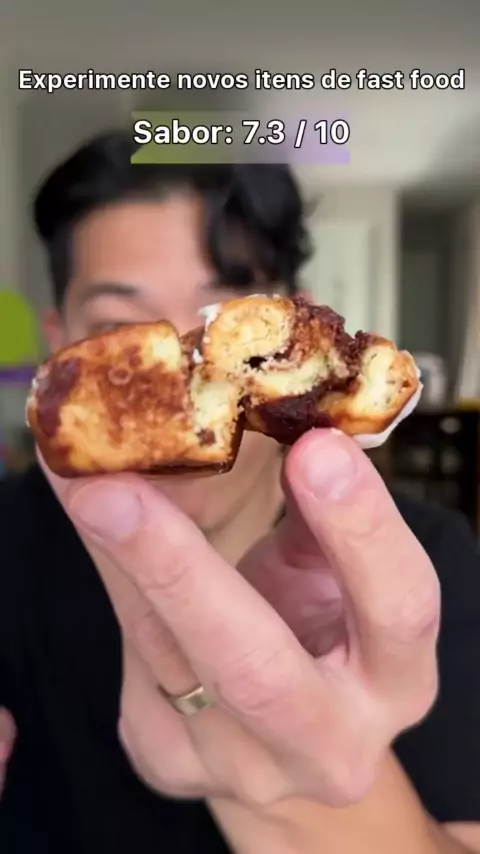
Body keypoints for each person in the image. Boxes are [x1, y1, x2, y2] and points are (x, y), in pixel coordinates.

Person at [0, 131, 479, 854]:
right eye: (118, 331)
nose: (177, 373)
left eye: (222, 317)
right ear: (59, 340)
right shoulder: (9, 545)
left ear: (295, 332)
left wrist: (302, 790)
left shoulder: (431, 562)